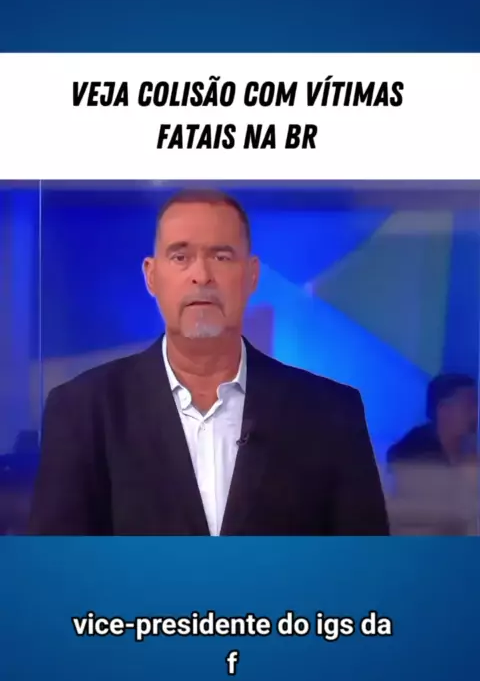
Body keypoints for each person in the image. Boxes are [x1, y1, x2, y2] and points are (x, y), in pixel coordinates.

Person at [29, 189, 389, 536]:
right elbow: (59, 569)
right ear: (151, 276)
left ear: (251, 275)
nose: (201, 276)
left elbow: (362, 567)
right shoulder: (82, 410)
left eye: (221, 256)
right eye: (180, 257)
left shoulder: (330, 413)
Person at [387, 374, 478, 468]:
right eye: (469, 406)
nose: (476, 413)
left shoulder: (469, 447)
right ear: (443, 410)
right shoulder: (414, 456)